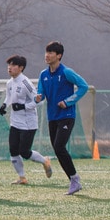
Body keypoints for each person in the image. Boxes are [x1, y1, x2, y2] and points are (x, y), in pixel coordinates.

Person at [36, 41, 90, 195]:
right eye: (46, 52)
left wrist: (68, 102)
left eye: (51, 52)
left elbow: (83, 86)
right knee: (58, 149)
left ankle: (75, 180)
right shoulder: (43, 74)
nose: (47, 55)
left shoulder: (66, 72)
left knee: (59, 146)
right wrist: (37, 97)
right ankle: (74, 179)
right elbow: (40, 93)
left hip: (66, 115)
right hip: (52, 116)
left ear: (59, 56)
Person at [2, 55, 51, 185]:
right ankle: (22, 177)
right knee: (13, 150)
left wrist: (24, 106)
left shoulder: (26, 83)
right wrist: (4, 105)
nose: (10, 68)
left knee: (24, 152)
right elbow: (8, 97)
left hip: (28, 123)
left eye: (13, 65)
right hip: (15, 122)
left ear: (21, 68)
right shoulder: (9, 83)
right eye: (9, 65)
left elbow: (38, 101)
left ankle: (45, 161)